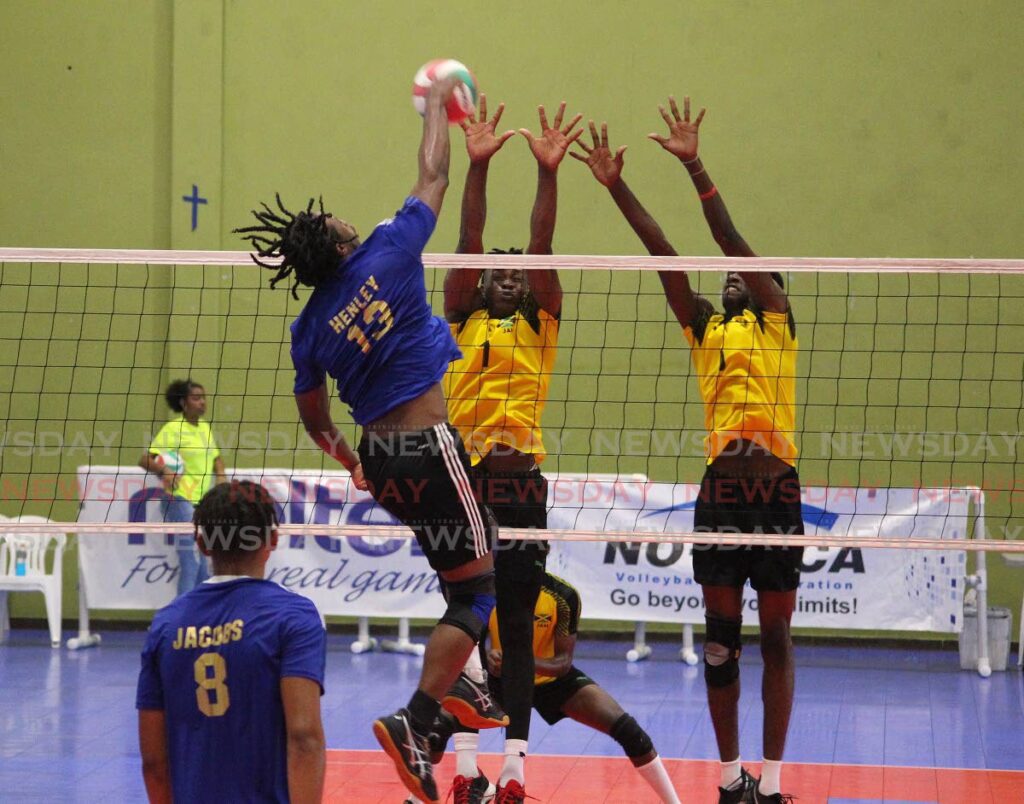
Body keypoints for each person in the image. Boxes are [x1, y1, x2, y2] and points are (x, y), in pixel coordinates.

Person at [234, 77, 495, 804]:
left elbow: (315, 418)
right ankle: (416, 720)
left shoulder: (309, 326)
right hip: (427, 447)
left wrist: (350, 459)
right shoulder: (388, 250)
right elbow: (433, 174)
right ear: (340, 239)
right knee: (478, 588)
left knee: (465, 565)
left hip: (382, 462)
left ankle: (466, 686)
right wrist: (440, 106)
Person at [573, 98, 800, 804]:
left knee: (778, 642)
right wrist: (616, 187)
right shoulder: (706, 329)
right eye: (728, 278)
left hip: (776, 491)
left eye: (745, 275)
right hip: (722, 495)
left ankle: (774, 781)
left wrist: (696, 165)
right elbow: (668, 257)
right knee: (721, 643)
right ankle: (731, 781)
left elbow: (730, 243)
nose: (732, 276)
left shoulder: (776, 321)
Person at [441, 97, 580, 803]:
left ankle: (516, 770)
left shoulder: (542, 324)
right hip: (460, 485)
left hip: (521, 485)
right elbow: (468, 239)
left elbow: (543, 245)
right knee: (464, 623)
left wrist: (547, 173)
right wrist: (478, 164)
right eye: (497, 267)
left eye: (517, 270)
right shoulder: (459, 318)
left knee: (518, 626)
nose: (507, 269)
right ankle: (464, 769)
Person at [136, 480, 327, 804]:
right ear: (273, 539)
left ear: (201, 543)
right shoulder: (294, 617)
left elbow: (154, 762)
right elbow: (305, 738)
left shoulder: (165, 625)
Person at [430, 572, 681, 804]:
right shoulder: (492, 591)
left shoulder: (562, 596)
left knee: (629, 731)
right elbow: (473, 645)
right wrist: (491, 660)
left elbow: (563, 663)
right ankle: (422, 797)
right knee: (437, 727)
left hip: (551, 681)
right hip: (500, 684)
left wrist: (519, 662)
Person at [139, 379, 227, 597]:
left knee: (203, 563)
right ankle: (180, 620)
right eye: (196, 398)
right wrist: (165, 471)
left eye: (203, 397)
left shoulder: (204, 427)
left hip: (202, 503)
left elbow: (215, 456)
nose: (202, 402)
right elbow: (145, 459)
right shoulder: (174, 428)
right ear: (183, 402)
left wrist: (222, 475)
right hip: (178, 501)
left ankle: (201, 614)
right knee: (191, 561)